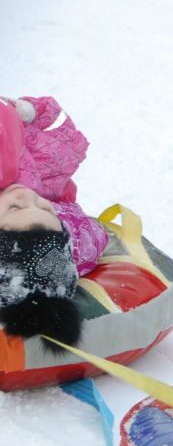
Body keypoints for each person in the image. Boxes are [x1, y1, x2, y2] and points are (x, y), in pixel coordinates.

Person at [0, 95, 108, 347]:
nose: (28, 196)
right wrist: (31, 111)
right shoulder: (66, 228)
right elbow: (91, 233)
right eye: (45, 208)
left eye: (15, 207)